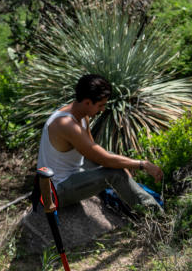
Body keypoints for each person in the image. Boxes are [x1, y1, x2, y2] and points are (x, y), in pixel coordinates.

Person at [37, 74, 164, 213]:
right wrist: (143, 165)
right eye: (100, 105)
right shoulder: (67, 125)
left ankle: (134, 198)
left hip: (71, 173)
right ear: (87, 102)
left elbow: (96, 152)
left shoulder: (81, 115)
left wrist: (122, 167)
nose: (102, 110)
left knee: (114, 161)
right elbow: (103, 159)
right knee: (115, 173)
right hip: (55, 192)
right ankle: (155, 214)